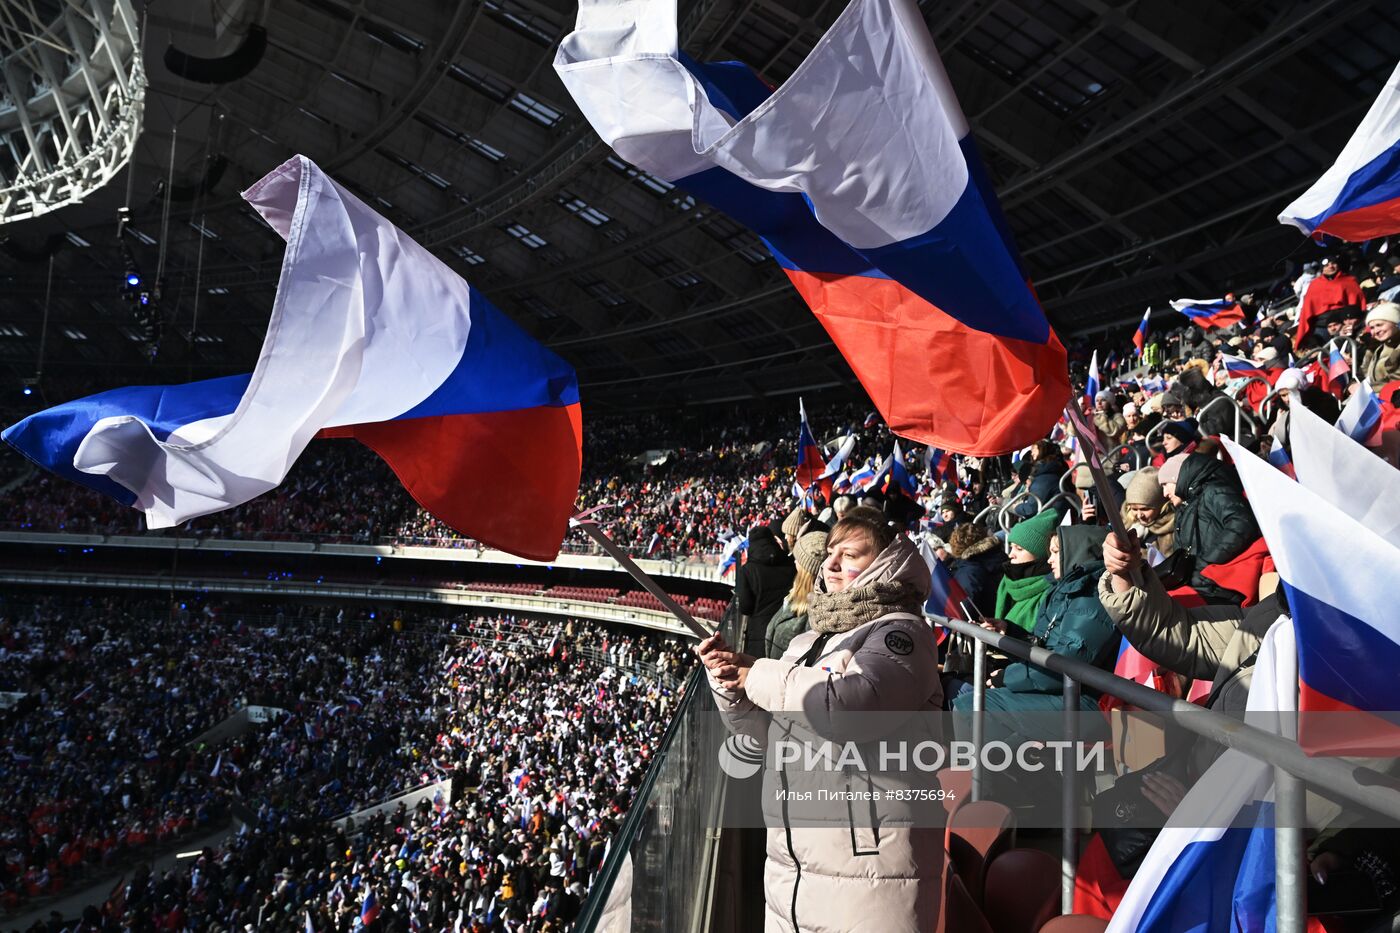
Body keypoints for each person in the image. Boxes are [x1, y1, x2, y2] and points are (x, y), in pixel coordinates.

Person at [699, 509, 944, 933]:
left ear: (886, 563)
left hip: (866, 870)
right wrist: (730, 684)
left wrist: (755, 673)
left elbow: (854, 709)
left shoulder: (901, 634)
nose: (830, 564)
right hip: (794, 869)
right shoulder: (810, 639)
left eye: (849, 555)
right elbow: (766, 734)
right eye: (830, 552)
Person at [1168, 454, 1261, 604]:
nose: (1165, 493)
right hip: (1201, 584)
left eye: (1166, 484)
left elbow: (1242, 523)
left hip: (1216, 588)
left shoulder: (1214, 491)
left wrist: (1204, 564)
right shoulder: (1187, 505)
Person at [993, 508, 1058, 634]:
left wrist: (1008, 631)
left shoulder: (1051, 591)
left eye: (1019, 549)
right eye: (1011, 547)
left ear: (1040, 555)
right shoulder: (1007, 581)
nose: (1011, 554)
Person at [764, 530, 828, 658]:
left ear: (807, 568)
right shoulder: (793, 597)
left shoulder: (814, 616)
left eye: (797, 558)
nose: (794, 562)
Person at [736, 525, 797, 657]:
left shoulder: (747, 570)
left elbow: (745, 607)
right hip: (789, 628)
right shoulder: (790, 563)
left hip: (760, 635)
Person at [947, 522, 1005, 619]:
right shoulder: (999, 556)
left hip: (981, 628)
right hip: (995, 623)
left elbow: (964, 611)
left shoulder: (969, 570)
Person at [1120, 468, 1175, 558]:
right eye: (1134, 509)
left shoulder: (1171, 530)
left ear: (1161, 506)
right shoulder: (1125, 521)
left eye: (1145, 509)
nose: (1139, 515)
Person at [1363, 302, 1400, 386]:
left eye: (1379, 325)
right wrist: (1352, 385)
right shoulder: (1375, 348)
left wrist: (1369, 389)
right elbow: (1362, 373)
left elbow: (1397, 379)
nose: (1376, 331)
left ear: (1395, 323)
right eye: (1372, 327)